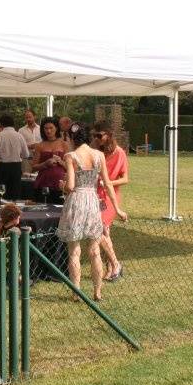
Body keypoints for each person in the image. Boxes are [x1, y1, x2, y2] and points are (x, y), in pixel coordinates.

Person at [57, 122, 126, 302]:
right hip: (93, 201)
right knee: (94, 250)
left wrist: (63, 186)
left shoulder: (70, 156)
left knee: (74, 251)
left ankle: (76, 292)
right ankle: (97, 292)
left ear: (72, 138)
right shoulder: (99, 155)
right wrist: (117, 208)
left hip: (77, 201)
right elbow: (108, 183)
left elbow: (70, 186)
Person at [93, 121, 129, 281]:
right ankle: (111, 267)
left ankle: (115, 264)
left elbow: (125, 179)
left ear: (109, 135)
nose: (97, 138)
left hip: (110, 196)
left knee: (102, 230)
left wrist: (107, 183)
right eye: (94, 135)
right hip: (95, 195)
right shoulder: (96, 150)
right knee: (105, 232)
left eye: (99, 135)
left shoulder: (119, 152)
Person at [0, 114, 29, 200]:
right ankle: (14, 211)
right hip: (16, 168)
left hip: (2, 167)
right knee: (15, 193)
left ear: (1, 124)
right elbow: (26, 154)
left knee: (1, 194)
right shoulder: (19, 136)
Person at [32, 117, 69, 204]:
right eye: (46, 128)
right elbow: (33, 167)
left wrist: (60, 161)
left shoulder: (64, 144)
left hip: (60, 184)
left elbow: (71, 167)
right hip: (44, 183)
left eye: (51, 128)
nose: (48, 131)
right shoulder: (39, 145)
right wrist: (45, 163)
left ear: (56, 128)